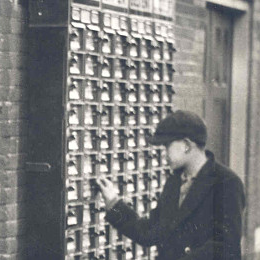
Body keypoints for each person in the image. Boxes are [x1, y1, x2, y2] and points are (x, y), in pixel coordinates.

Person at [95, 110, 245, 259]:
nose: (164, 153)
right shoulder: (174, 182)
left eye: (167, 146)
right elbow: (149, 232)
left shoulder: (226, 183)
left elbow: (225, 249)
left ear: (186, 145)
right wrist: (114, 203)